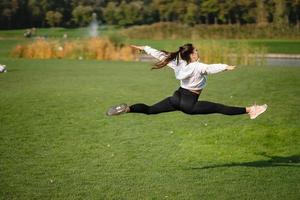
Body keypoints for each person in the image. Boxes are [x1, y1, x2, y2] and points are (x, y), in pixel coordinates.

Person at [106, 44, 267, 119]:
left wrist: (146, 48)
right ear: (191, 55)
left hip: (176, 98)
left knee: (149, 110)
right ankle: (251, 110)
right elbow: (211, 68)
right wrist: (226, 66)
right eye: (196, 51)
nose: (198, 51)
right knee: (219, 108)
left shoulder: (179, 63)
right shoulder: (197, 66)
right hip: (189, 104)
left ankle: (128, 109)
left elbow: (161, 56)